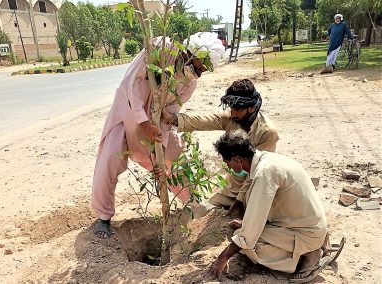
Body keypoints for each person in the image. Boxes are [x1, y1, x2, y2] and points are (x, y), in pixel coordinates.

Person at [92, 33, 225, 238]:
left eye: (202, 71)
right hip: (126, 112)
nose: (198, 73)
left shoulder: (190, 82)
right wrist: (142, 121)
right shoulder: (160, 49)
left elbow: (173, 109)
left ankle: (193, 204)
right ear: (191, 53)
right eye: (198, 66)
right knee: (110, 159)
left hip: (156, 122)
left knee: (173, 157)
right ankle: (103, 217)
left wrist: (159, 134)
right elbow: (131, 85)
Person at [208, 130, 345, 283]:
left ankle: (309, 256)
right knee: (243, 234)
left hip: (306, 233)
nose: (228, 167)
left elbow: (250, 232)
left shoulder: (264, 173)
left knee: (249, 247)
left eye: (228, 163)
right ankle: (317, 241)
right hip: (309, 224)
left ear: (237, 160)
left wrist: (222, 258)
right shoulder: (267, 159)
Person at [162, 79, 278, 211]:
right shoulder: (232, 118)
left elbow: (259, 172)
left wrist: (240, 202)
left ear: (251, 108)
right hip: (231, 187)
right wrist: (174, 119)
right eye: (231, 108)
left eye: (238, 109)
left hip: (254, 189)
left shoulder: (267, 133)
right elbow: (205, 120)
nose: (233, 113)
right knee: (206, 211)